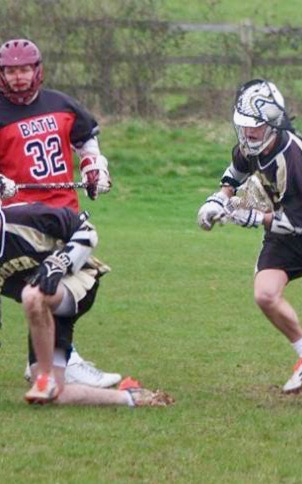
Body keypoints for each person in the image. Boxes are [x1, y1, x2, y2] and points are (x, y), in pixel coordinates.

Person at [196, 79, 302, 406]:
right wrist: (218, 200)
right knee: (265, 294)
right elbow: (234, 173)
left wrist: (249, 217)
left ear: (273, 125)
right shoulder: (252, 145)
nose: (247, 136)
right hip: (282, 237)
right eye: (243, 128)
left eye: (255, 129)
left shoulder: (294, 160)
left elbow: (299, 223)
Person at [0, 38, 118, 388]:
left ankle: (47, 359)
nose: (18, 78)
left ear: (36, 70)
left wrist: (95, 168)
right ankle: (57, 359)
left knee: (57, 285)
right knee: (47, 285)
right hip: (20, 222)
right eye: (10, 71)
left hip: (64, 215)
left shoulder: (61, 104)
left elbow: (87, 140)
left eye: (23, 69)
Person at [1, 202, 171, 407]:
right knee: (52, 397)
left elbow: (87, 231)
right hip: (44, 313)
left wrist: (60, 263)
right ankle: (131, 397)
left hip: (79, 281)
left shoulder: (26, 217)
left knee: (32, 296)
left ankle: (45, 378)